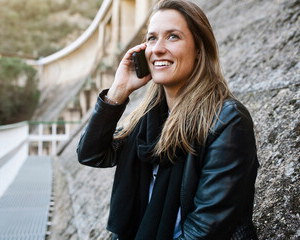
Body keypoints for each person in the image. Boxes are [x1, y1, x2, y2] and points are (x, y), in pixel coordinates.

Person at [77, 0, 259, 239]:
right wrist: (118, 91)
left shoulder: (227, 120)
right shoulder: (146, 119)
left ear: (198, 49)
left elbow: (204, 232)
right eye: (152, 38)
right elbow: (92, 154)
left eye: (173, 36)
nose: (158, 49)